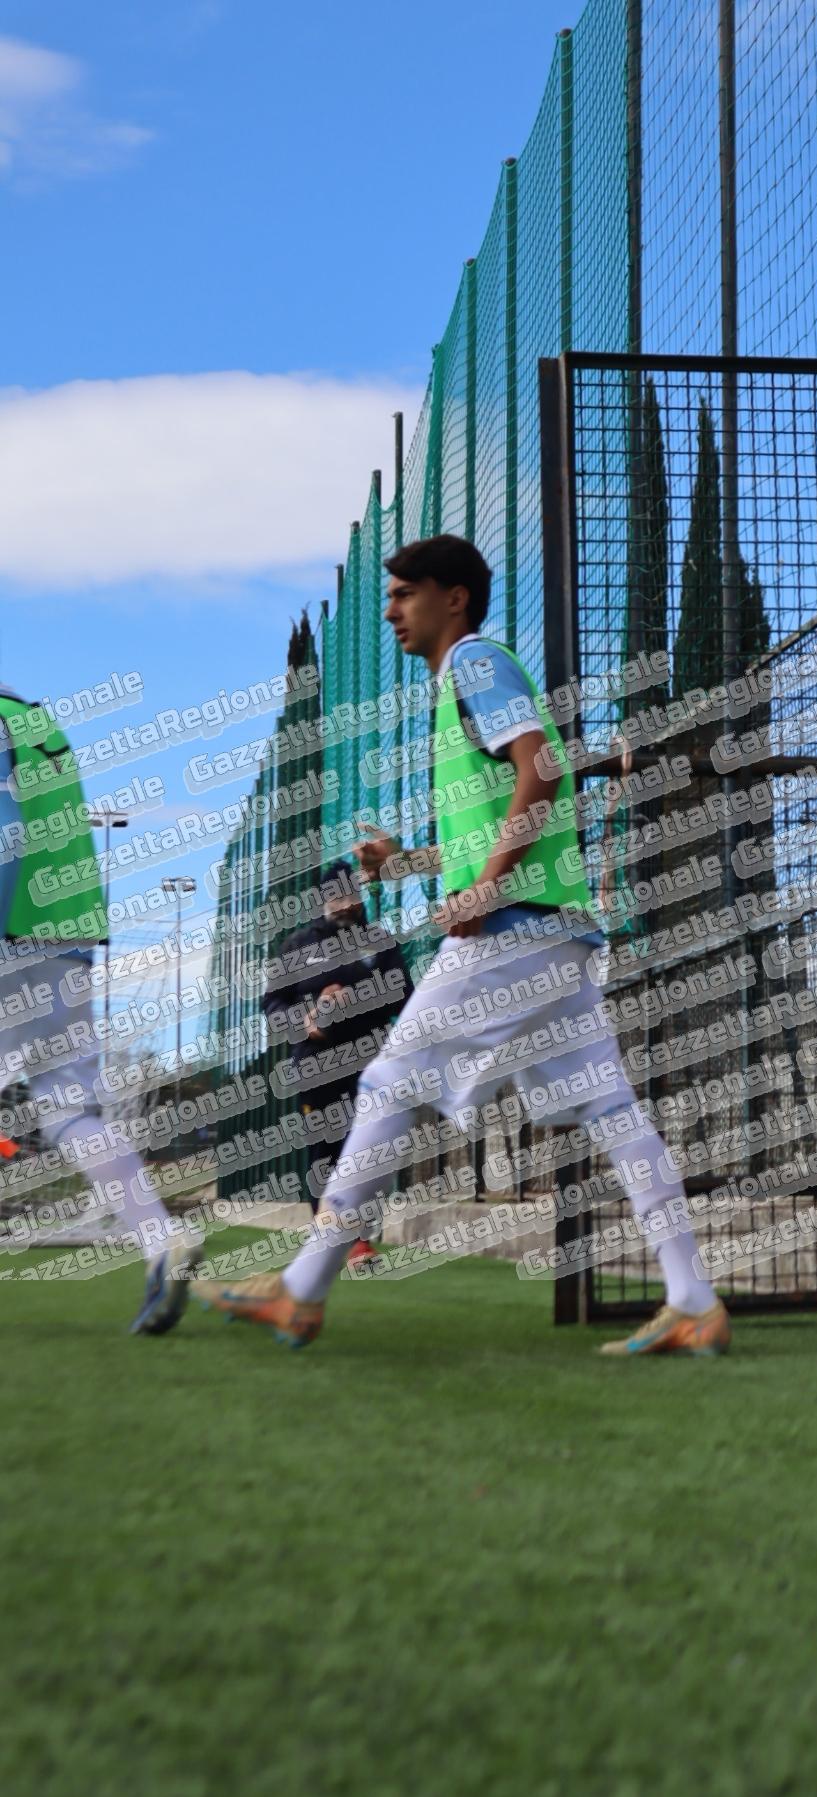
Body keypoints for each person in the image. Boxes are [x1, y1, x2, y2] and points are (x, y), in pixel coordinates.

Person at [196, 534, 729, 1357]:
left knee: (387, 1082)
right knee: (612, 1111)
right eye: (389, 595)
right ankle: (693, 1300)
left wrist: (486, 889)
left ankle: (302, 1288)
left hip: (515, 932)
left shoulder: (476, 664)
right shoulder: (462, 685)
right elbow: (502, 813)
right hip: (554, 934)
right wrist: (407, 862)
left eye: (404, 593)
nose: (390, 610)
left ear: (454, 598)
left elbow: (542, 769)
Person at [0, 683, 202, 1333]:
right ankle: (160, 1238)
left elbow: (7, 832)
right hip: (68, 940)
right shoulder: (40, 725)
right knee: (68, 1109)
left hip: (11, 930)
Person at [261, 858, 410, 1267]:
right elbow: (272, 1004)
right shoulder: (296, 946)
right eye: (337, 896)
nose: (345, 903)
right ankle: (325, 1240)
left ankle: (360, 1241)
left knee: (364, 1151)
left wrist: (354, 999)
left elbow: (404, 997)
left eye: (351, 894)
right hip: (316, 1065)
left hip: (370, 1063)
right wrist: (306, 1019)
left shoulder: (379, 942)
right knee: (323, 1151)